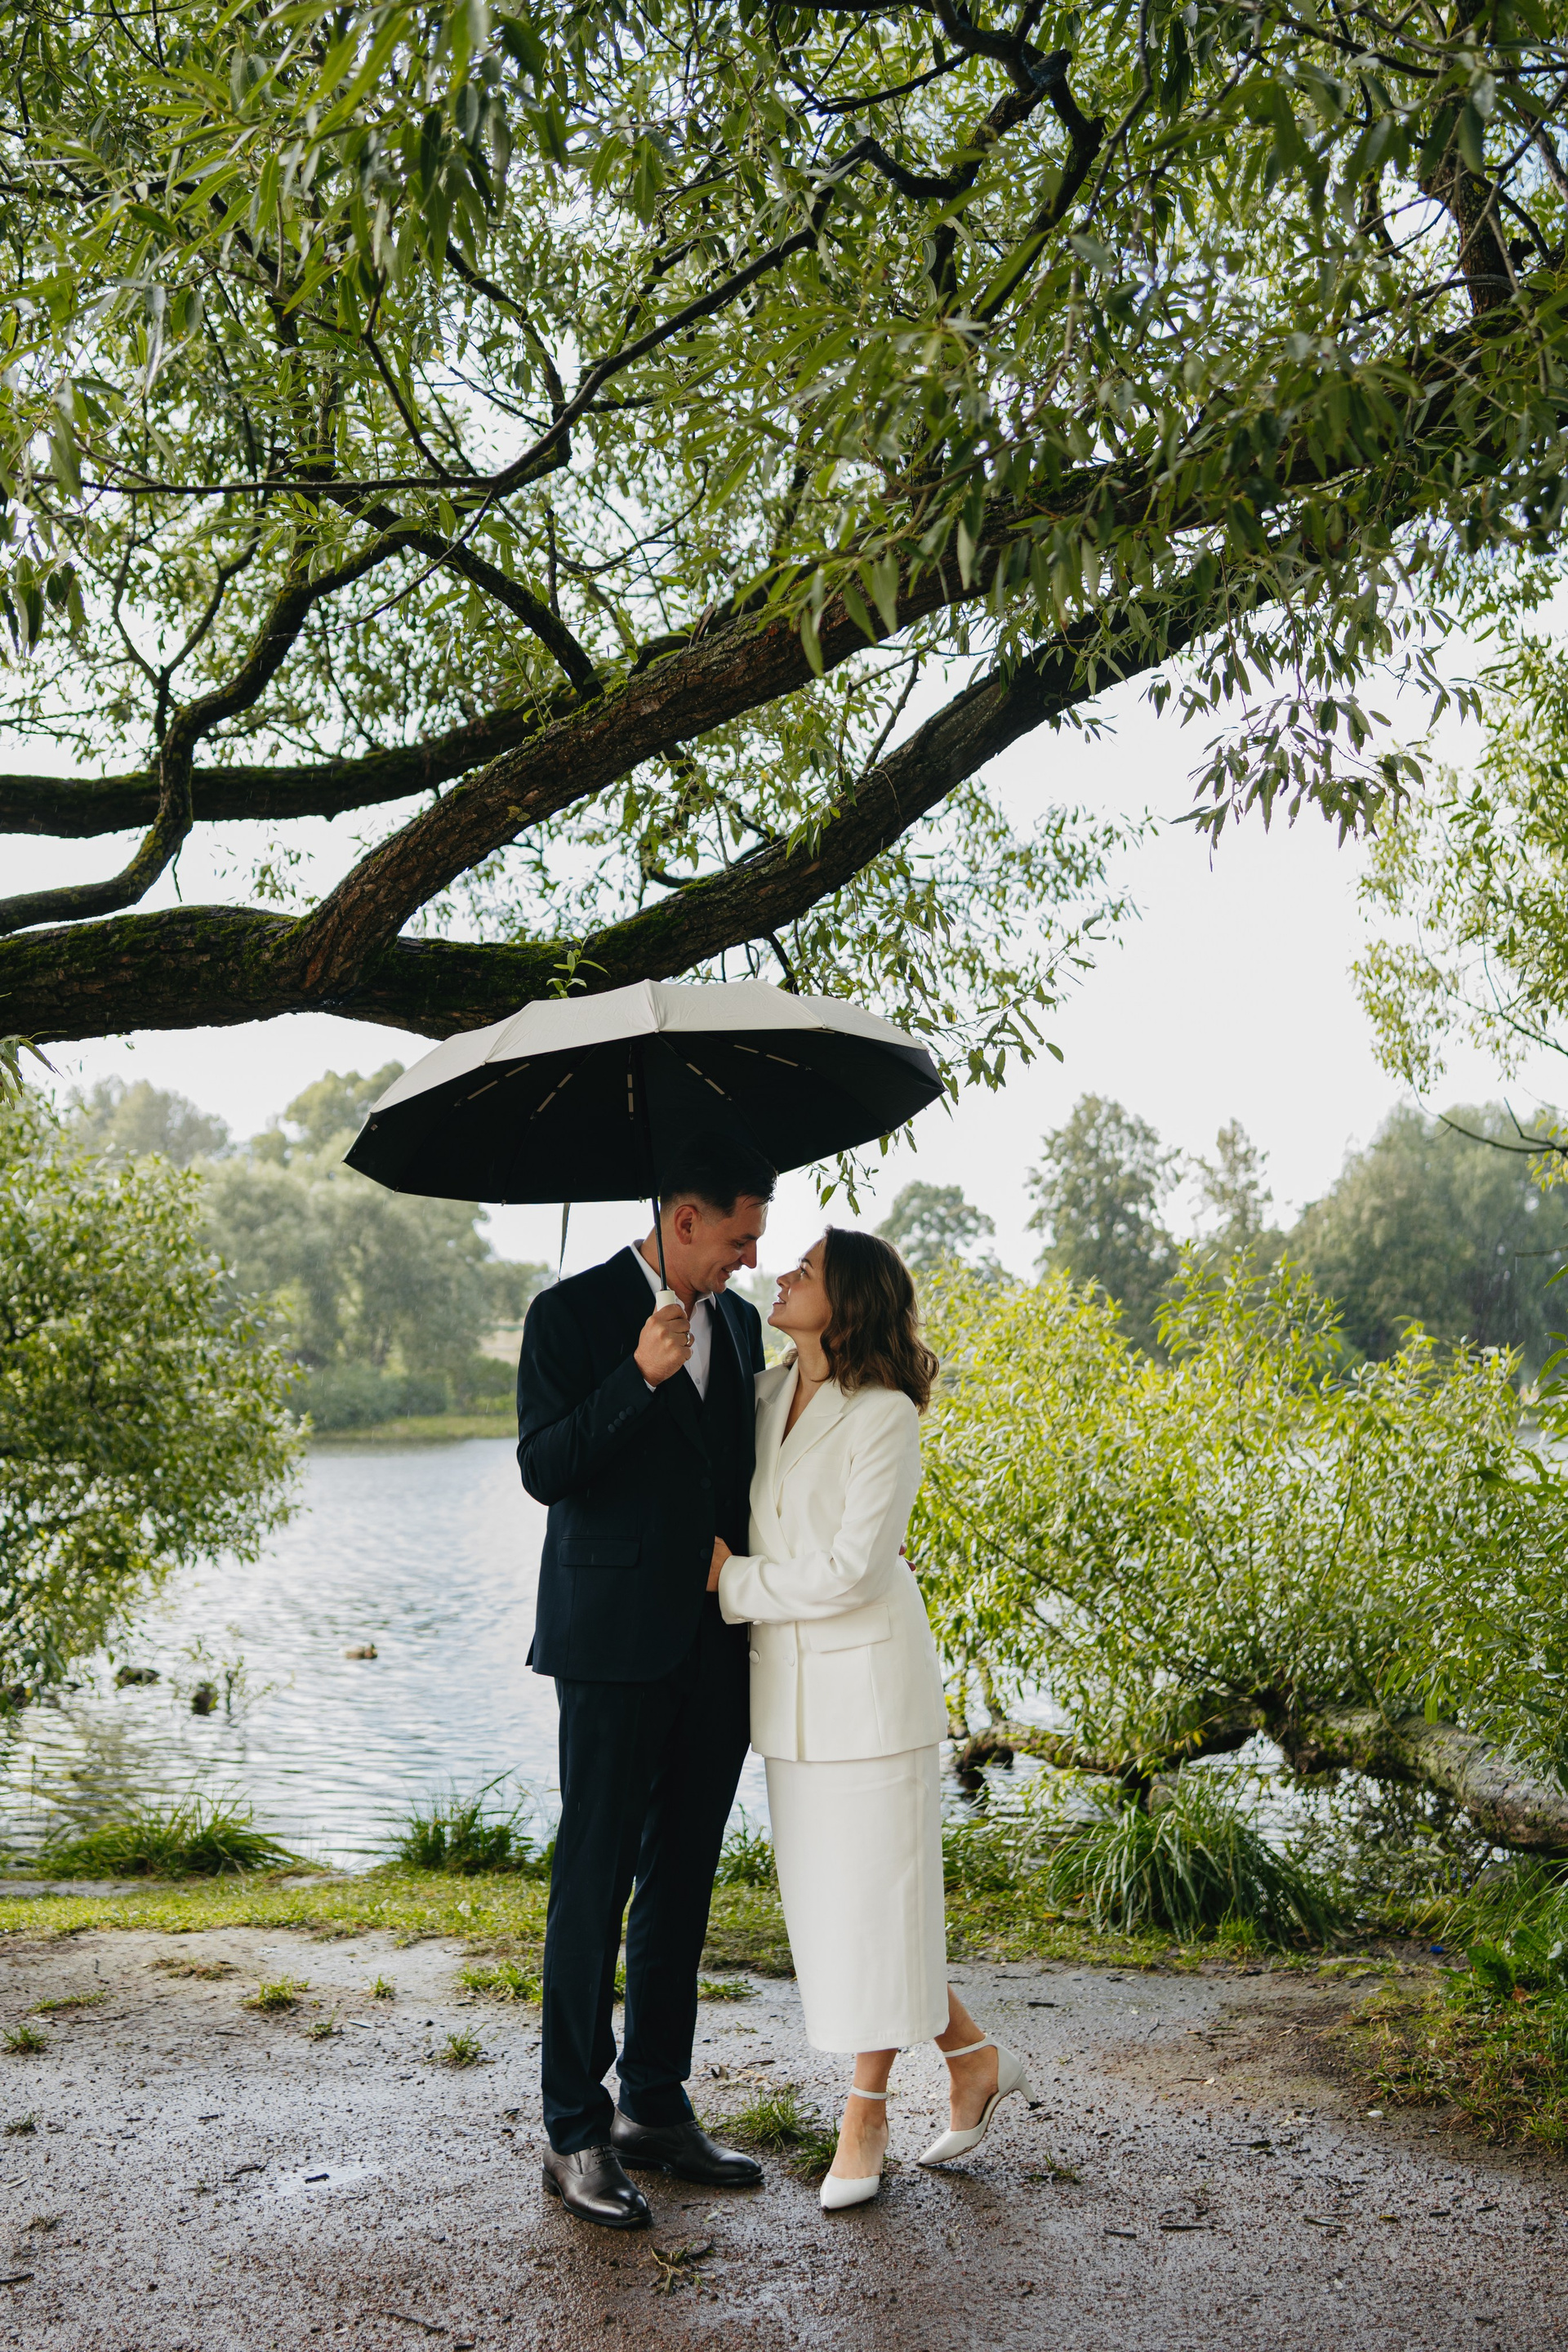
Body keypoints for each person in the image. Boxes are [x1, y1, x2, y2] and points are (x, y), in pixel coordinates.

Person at [712, 1228, 1031, 2209]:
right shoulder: (761, 1396)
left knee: (880, 1904)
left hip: (874, 1695)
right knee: (845, 1914)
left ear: (847, 1302)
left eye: (805, 1268)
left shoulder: (885, 1415)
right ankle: (973, 2058)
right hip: (790, 1699)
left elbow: (855, 1570)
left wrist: (733, 1582)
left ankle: (865, 2115)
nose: (782, 1274)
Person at [517, 1131, 776, 2230]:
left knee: (683, 1881)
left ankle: (655, 2106)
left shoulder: (745, 1325)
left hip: (715, 1645)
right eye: (737, 1239)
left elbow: (743, 1478)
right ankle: (575, 2131)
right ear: (683, 1220)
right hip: (610, 1645)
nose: (748, 1260)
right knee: (595, 1881)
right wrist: (637, 1377)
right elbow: (544, 1469)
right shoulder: (566, 1315)